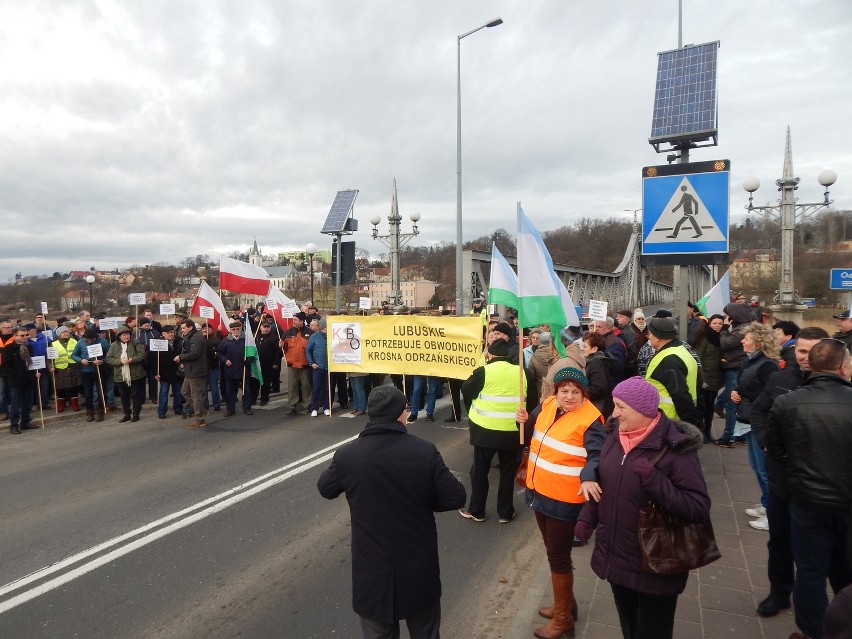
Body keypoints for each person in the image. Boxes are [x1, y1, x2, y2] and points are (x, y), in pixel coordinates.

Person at [317, 385, 465, 638]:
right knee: (425, 631)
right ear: (400, 414)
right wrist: (423, 500)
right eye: (407, 408)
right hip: (417, 565)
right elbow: (456, 497)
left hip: (373, 569)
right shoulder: (423, 451)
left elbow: (326, 488)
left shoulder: (347, 455)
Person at [575, 377, 712, 639]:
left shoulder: (675, 449)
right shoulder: (614, 438)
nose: (613, 413)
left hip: (656, 566)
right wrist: (585, 520)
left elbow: (697, 507)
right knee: (629, 628)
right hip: (617, 558)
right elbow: (604, 486)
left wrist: (655, 480)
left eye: (620, 407)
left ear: (643, 410)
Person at [765, 339, 852, 639]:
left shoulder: (788, 402)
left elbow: (774, 450)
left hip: (806, 500)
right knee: (846, 572)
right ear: (843, 367)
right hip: (847, 502)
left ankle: (814, 632)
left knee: (810, 571)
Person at [517, 367, 606, 639]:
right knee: (554, 551)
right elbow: (531, 430)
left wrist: (590, 477)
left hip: (565, 500)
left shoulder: (591, 419)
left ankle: (563, 619)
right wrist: (521, 420)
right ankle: (566, 604)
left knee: (557, 556)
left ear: (584, 394)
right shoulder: (547, 404)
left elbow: (597, 455)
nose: (568, 396)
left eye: (575, 392)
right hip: (539, 490)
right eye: (564, 391)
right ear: (556, 391)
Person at [748, 326, 830, 618]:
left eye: (813, 351)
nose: (806, 357)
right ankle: (780, 592)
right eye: (801, 350)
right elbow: (758, 411)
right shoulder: (781, 379)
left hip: (824, 482)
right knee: (779, 540)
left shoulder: (840, 384)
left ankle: (829, 601)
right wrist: (764, 440)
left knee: (825, 548)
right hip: (783, 479)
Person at [459, 339, 535, 523]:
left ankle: (477, 510)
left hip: (485, 432)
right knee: (508, 473)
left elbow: (466, 390)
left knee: (479, 472)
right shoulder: (523, 373)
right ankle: (505, 513)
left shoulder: (483, 371)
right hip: (513, 433)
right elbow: (532, 402)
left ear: (490, 355)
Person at [730, 322, 780, 531]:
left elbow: (770, 395)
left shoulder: (767, 365)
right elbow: (746, 384)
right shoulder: (752, 361)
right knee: (755, 466)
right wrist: (736, 393)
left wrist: (743, 395)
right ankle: (766, 503)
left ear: (757, 343)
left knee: (764, 469)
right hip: (749, 418)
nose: (742, 341)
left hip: (759, 422)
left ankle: (773, 514)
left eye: (746, 338)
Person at [644, 317, 702, 427]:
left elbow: (680, 394)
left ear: (657, 338)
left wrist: (691, 425)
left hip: (668, 421)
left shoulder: (668, 359)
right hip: (675, 420)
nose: (648, 336)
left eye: (650, 334)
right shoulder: (681, 351)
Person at [715, 302, 752, 446]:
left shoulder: (741, 330)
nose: (725, 317)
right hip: (738, 366)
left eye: (726, 315)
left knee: (732, 404)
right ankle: (740, 434)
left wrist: (724, 328)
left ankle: (729, 436)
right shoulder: (743, 327)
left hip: (736, 367)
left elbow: (726, 344)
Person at [106, 325, 147, 423]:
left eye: (128, 334)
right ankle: (126, 414)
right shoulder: (114, 345)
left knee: (136, 394)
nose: (126, 336)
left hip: (136, 374)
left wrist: (132, 360)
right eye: (124, 335)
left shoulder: (135, 343)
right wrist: (119, 361)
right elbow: (109, 358)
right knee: (124, 395)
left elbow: (142, 355)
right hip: (121, 375)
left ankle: (136, 413)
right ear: (119, 336)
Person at [693, 314, 725, 443]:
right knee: (703, 407)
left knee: (710, 407)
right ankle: (701, 433)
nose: (717, 326)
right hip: (705, 378)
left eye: (720, 324)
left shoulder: (721, 337)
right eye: (715, 323)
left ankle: (707, 432)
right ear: (709, 324)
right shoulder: (704, 338)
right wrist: (702, 379)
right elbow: (698, 358)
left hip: (716, 377)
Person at [2, 327, 40, 433]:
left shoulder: (29, 347)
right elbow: (5, 366)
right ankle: (14, 425)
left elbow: (32, 362)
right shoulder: (8, 348)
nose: (25, 337)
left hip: (28, 379)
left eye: (26, 335)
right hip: (15, 381)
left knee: (27, 403)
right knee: (15, 403)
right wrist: (16, 375)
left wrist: (36, 372)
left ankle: (25, 422)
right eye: (22, 335)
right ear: (15, 336)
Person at [71, 328, 111, 423]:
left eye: (91, 340)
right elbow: (73, 355)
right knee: (88, 393)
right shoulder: (81, 342)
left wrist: (102, 361)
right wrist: (81, 360)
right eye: (87, 339)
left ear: (95, 337)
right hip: (86, 370)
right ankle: (90, 412)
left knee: (101, 391)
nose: (89, 341)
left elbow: (110, 354)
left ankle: (100, 411)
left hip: (99, 369)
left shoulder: (102, 341)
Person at [176, 319, 208, 427]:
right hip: (189, 370)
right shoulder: (189, 337)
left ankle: (199, 419)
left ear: (190, 327)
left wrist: (180, 357)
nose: (182, 330)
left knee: (196, 396)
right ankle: (201, 410)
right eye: (181, 328)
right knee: (184, 392)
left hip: (196, 371)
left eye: (184, 328)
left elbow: (195, 354)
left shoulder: (196, 337)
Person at [218, 320, 253, 417]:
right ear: (230, 330)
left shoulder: (247, 340)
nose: (236, 331)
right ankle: (230, 409)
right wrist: (225, 360)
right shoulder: (225, 340)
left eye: (237, 329)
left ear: (241, 328)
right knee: (230, 392)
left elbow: (253, 351)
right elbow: (220, 353)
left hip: (244, 370)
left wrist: (249, 359)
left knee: (246, 390)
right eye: (233, 329)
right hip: (230, 370)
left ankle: (247, 408)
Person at [281, 312, 312, 415]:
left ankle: (307, 405)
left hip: (305, 365)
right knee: (292, 386)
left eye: (295, 320)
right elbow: (284, 347)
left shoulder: (310, 333)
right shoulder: (288, 332)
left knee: (306, 386)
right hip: (292, 364)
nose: (293, 322)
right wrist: (281, 344)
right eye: (293, 319)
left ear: (301, 321)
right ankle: (291, 405)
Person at [581, 331, 617, 419]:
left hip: (597, 408)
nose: (582, 349)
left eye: (585, 347)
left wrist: (579, 392)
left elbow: (598, 389)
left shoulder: (596, 362)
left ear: (594, 349)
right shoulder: (594, 361)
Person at [154, 324, 184, 419]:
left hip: (176, 372)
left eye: (172, 332)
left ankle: (178, 409)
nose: (171, 334)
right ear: (163, 334)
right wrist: (156, 373)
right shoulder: (158, 343)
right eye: (168, 333)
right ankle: (162, 411)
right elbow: (154, 360)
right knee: (163, 392)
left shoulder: (179, 341)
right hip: (164, 373)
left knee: (178, 392)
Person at [49, 325, 81, 413]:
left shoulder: (74, 341)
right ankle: (61, 404)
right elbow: (49, 358)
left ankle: (74, 403)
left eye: (67, 332)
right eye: (63, 332)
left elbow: (79, 352)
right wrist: (51, 366)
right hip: (60, 368)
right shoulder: (53, 344)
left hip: (73, 366)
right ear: (59, 334)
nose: (66, 333)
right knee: (60, 387)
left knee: (74, 386)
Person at [255, 320, 283, 406]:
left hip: (268, 364)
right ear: (260, 328)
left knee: (265, 383)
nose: (266, 329)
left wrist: (276, 363)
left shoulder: (274, 338)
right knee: (255, 382)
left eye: (268, 327)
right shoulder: (256, 336)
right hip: (257, 363)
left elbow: (278, 352)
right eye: (264, 327)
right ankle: (253, 398)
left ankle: (264, 399)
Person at [306, 318, 330, 417]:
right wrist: (311, 363)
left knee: (327, 388)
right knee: (316, 388)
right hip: (318, 367)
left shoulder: (332, 336)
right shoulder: (314, 337)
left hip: (329, 367)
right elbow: (308, 350)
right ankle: (314, 408)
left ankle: (326, 407)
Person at [199, 324, 222, 413]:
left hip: (213, 368)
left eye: (207, 328)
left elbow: (219, 353)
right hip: (202, 368)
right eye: (203, 328)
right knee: (203, 389)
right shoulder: (199, 340)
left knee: (214, 388)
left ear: (211, 330)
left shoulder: (216, 341)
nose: (204, 330)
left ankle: (217, 405)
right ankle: (205, 406)